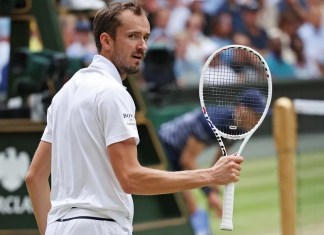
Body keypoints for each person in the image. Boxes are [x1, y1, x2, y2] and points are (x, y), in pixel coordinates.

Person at [25, 1, 243, 235]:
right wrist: (210, 175)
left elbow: (34, 177)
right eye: (132, 36)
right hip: (101, 227)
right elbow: (130, 178)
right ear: (106, 41)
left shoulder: (64, 94)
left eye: (146, 37)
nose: (142, 46)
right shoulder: (113, 93)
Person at [158, 89, 266, 235]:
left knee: (191, 204)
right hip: (162, 148)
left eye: (260, 116)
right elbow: (187, 160)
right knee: (188, 204)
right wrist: (209, 192)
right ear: (241, 109)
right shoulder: (213, 121)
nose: (258, 120)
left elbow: (220, 161)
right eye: (255, 115)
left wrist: (214, 185)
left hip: (178, 152)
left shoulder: (238, 129)